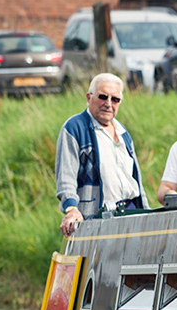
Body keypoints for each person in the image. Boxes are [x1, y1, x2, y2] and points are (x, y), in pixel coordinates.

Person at [56, 73, 148, 237]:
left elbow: (136, 181)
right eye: (103, 97)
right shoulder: (75, 128)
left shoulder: (123, 132)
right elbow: (66, 176)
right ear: (89, 97)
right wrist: (71, 209)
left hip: (131, 212)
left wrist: (147, 213)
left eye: (115, 99)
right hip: (97, 217)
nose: (108, 104)